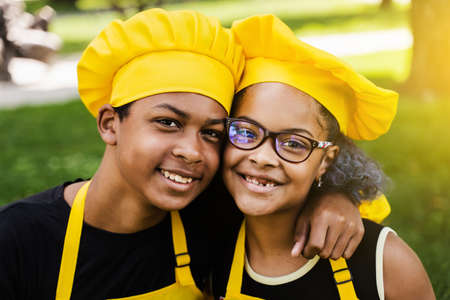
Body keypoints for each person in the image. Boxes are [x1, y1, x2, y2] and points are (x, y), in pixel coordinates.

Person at [0, 8, 387, 300]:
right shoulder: (18, 240)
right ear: (109, 124)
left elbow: (281, 184)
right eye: (167, 122)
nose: (191, 151)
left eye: (212, 133)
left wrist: (335, 195)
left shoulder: (215, 220)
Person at [212, 14, 435, 300]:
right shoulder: (210, 245)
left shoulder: (385, 263)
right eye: (246, 132)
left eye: (293, 143)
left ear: (326, 160)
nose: (263, 157)